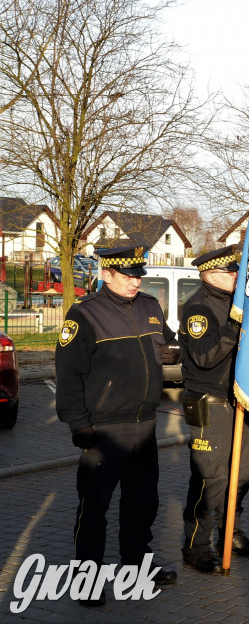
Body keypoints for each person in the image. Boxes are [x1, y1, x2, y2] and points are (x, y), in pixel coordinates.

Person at [55, 245, 179, 606]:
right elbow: (68, 376)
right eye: (127, 275)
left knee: (142, 504)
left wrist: (173, 354)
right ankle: (86, 579)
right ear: (105, 274)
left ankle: (137, 568)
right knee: (94, 508)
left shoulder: (150, 306)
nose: (135, 281)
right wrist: (78, 424)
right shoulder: (84, 316)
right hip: (104, 430)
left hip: (146, 424)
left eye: (138, 274)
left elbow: (166, 346)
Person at [179, 246, 249, 574]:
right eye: (231, 272)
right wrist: (234, 326)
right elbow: (204, 357)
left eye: (237, 271)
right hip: (209, 403)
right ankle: (196, 547)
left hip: (237, 401)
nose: (237, 276)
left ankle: (230, 535)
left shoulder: (234, 303)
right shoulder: (198, 309)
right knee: (209, 479)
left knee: (240, 475)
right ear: (210, 275)